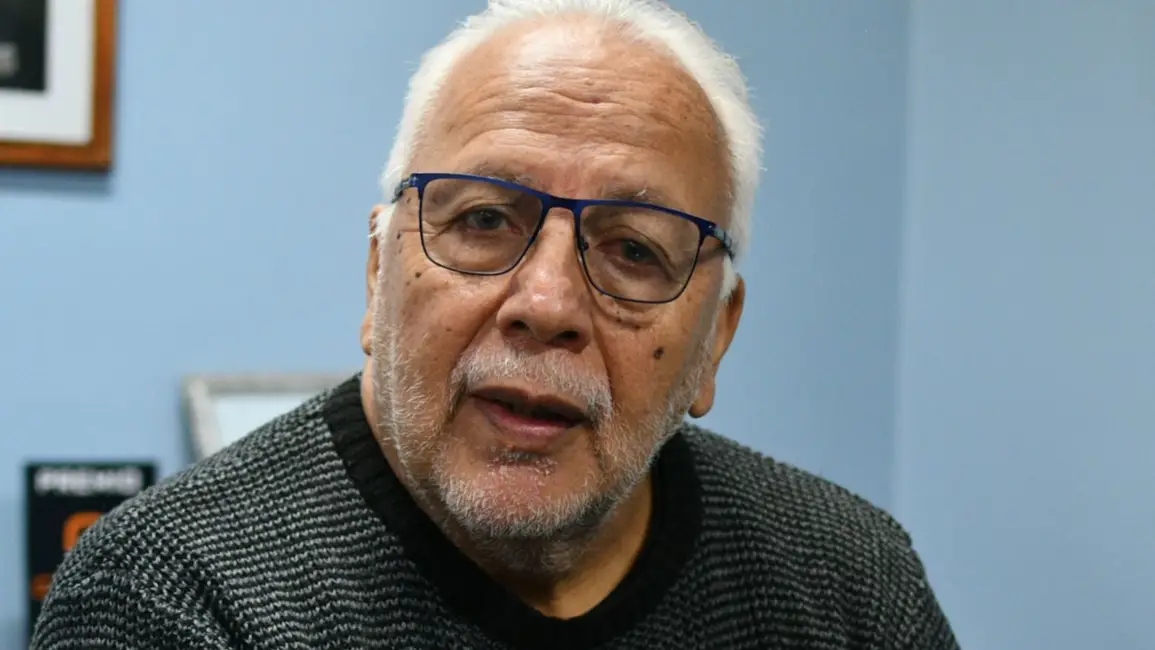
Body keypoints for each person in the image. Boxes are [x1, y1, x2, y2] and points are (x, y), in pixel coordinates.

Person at [32, 1, 960, 648]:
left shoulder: (852, 585)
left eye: (633, 249)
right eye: (482, 219)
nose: (546, 305)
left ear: (715, 337)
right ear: (377, 272)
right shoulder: (167, 597)